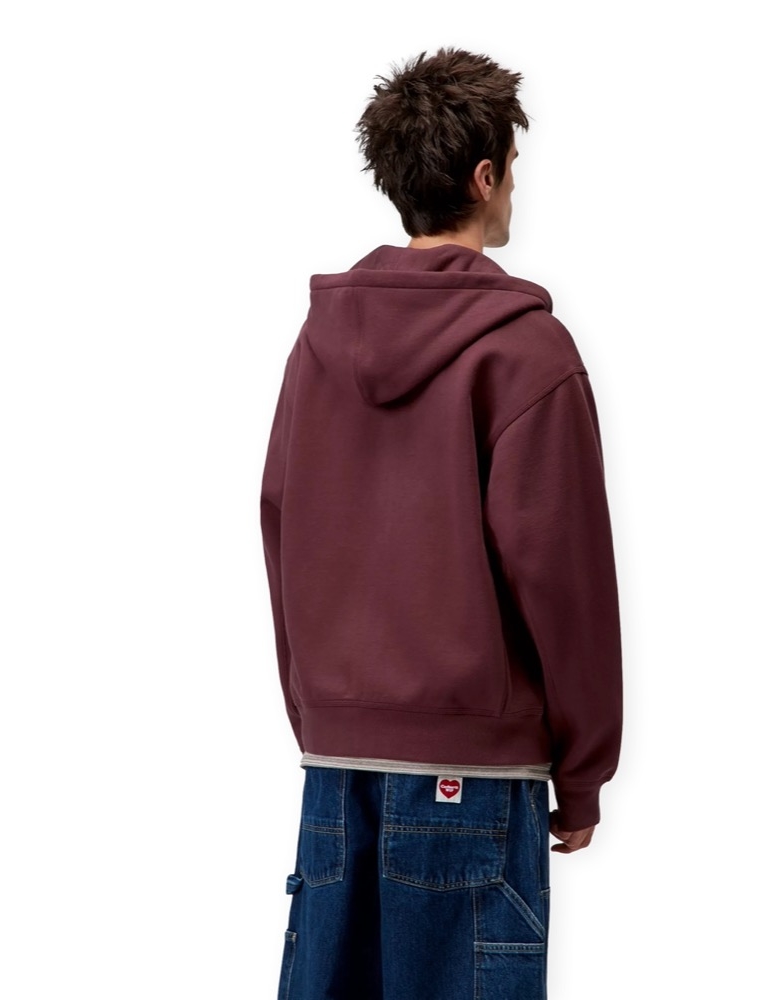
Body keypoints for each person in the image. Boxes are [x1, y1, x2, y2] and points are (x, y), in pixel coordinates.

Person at [260, 46, 623, 999]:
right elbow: (565, 577)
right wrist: (584, 770)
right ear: (485, 175)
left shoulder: (314, 348)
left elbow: (281, 528)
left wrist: (321, 716)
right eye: (515, 169)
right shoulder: (529, 354)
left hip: (336, 771)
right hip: (475, 777)